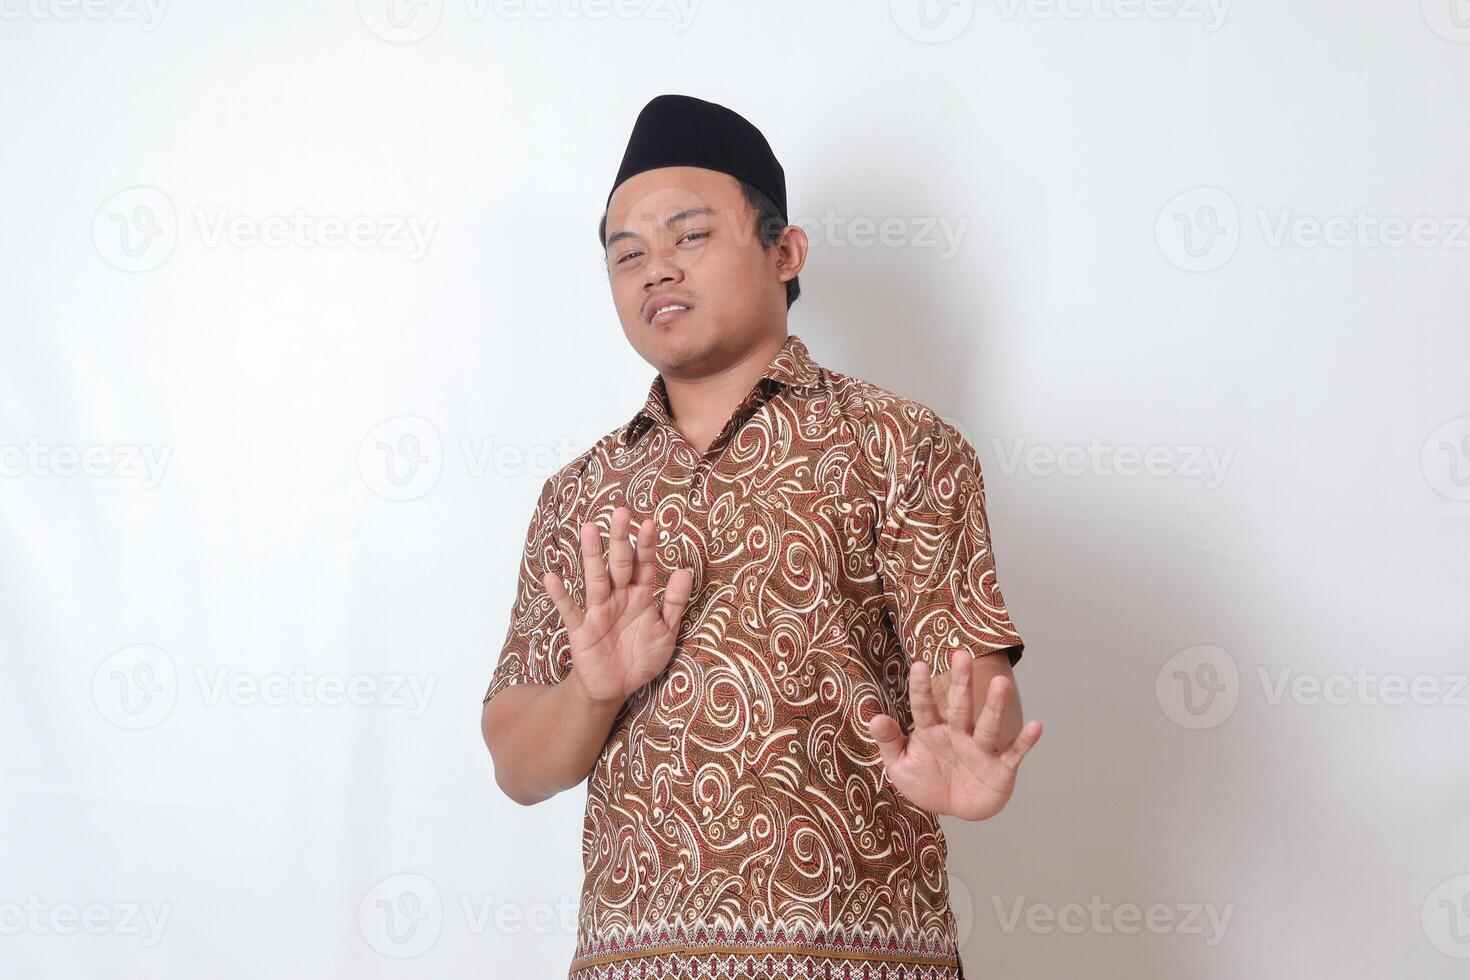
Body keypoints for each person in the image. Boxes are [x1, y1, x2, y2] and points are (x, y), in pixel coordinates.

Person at [480, 93, 1042, 980]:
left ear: (786, 251)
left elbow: (971, 689)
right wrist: (593, 689)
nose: (654, 270)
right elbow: (517, 760)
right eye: (626, 255)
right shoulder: (579, 496)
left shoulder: (903, 446)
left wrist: (967, 751)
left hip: (860, 959)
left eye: (688, 236)